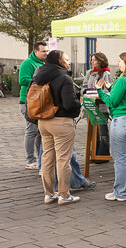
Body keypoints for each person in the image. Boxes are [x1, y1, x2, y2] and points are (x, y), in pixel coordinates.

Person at [33, 50, 81, 206]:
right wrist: (78, 103)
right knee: (63, 160)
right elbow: (68, 103)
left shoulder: (39, 75)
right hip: (61, 122)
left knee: (46, 158)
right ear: (59, 61)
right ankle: (64, 195)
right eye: (66, 60)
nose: (68, 62)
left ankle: (49, 194)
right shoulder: (64, 78)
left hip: (43, 121)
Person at [96, 52, 126, 202]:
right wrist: (111, 88)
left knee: (120, 159)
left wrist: (100, 90)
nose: (118, 63)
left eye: (121, 61)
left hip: (122, 122)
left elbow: (112, 102)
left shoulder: (123, 80)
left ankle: (120, 193)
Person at [19, 41, 48, 170]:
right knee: (31, 130)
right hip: (28, 101)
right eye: (43, 51)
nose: (46, 53)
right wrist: (39, 80)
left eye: (47, 51)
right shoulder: (28, 63)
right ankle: (30, 160)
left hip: (40, 101)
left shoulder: (44, 63)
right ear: (35, 51)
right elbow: (23, 80)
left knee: (40, 131)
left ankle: (41, 158)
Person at [83, 52, 114, 156]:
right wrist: (85, 91)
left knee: (102, 132)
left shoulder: (107, 74)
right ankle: (94, 154)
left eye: (94, 60)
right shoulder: (90, 73)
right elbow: (84, 85)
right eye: (91, 60)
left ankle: (103, 154)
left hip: (101, 107)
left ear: (101, 61)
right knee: (93, 133)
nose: (92, 62)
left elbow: (109, 91)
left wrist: (99, 91)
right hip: (91, 105)